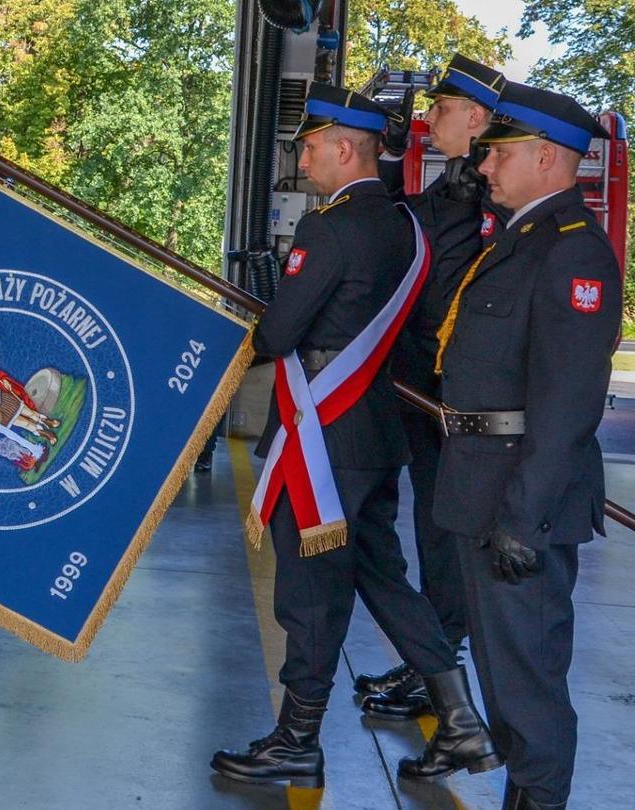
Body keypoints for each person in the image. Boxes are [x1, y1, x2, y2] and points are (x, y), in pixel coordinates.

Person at [212, 84, 498, 790]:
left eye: (310, 148)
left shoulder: (329, 230)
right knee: (385, 580)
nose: (303, 160)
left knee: (310, 593)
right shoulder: (407, 228)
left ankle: (297, 739)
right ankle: (459, 720)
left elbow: (280, 334)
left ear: (345, 149)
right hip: (373, 438)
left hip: (322, 442)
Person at [433, 82, 619, 810]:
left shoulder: (573, 255)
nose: (485, 168)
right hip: (482, 489)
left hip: (518, 502)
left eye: (499, 155)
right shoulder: (517, 243)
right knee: (505, 686)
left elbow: (566, 406)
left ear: (546, 157)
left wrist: (524, 516)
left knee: (529, 694)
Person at [354, 54, 508, 721]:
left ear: (475, 118)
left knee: (447, 536)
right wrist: (386, 157)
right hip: (420, 384)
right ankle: (432, 659)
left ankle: (441, 665)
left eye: (441, 109)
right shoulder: (455, 183)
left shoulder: (489, 195)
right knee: (431, 528)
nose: (428, 118)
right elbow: (404, 222)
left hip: (454, 395)